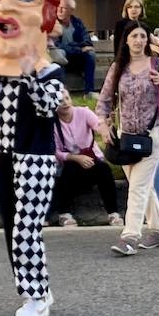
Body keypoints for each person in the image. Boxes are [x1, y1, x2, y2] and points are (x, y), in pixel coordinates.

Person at [0, 0, 66, 316]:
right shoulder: (1, 76)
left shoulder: (50, 72)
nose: (1, 8)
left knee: (27, 228)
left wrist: (27, 73)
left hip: (36, 158)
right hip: (5, 155)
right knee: (12, 228)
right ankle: (35, 287)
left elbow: (48, 107)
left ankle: (36, 296)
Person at [96, 21, 159, 254]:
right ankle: (157, 229)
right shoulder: (118, 68)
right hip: (126, 135)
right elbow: (103, 101)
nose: (139, 40)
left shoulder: (157, 64)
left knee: (138, 186)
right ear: (126, 40)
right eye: (134, 36)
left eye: (142, 36)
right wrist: (103, 126)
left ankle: (130, 236)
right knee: (140, 185)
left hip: (153, 132)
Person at [51, 87, 120, 227]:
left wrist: (106, 126)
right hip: (69, 163)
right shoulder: (52, 123)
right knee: (66, 171)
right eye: (60, 101)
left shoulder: (83, 112)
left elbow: (97, 125)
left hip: (91, 158)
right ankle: (64, 214)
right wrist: (75, 158)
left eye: (67, 98)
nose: (65, 103)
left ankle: (113, 213)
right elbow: (55, 151)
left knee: (104, 169)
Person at [53, 0, 96, 93]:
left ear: (71, 10)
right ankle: (62, 92)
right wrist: (78, 49)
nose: (59, 10)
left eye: (63, 8)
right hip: (60, 60)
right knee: (60, 52)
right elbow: (56, 45)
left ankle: (89, 91)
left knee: (90, 54)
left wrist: (74, 48)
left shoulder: (77, 23)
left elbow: (87, 41)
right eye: (58, 7)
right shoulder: (53, 23)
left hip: (76, 59)